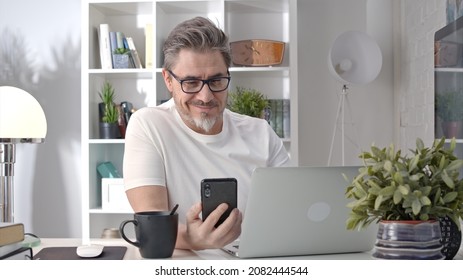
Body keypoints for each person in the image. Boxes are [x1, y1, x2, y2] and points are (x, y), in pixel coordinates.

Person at [123, 16, 290, 251]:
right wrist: (193, 239)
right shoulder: (148, 124)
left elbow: (293, 211)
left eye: (216, 80)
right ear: (168, 80)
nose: (206, 96)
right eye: (190, 82)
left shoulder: (260, 131)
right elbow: (151, 225)